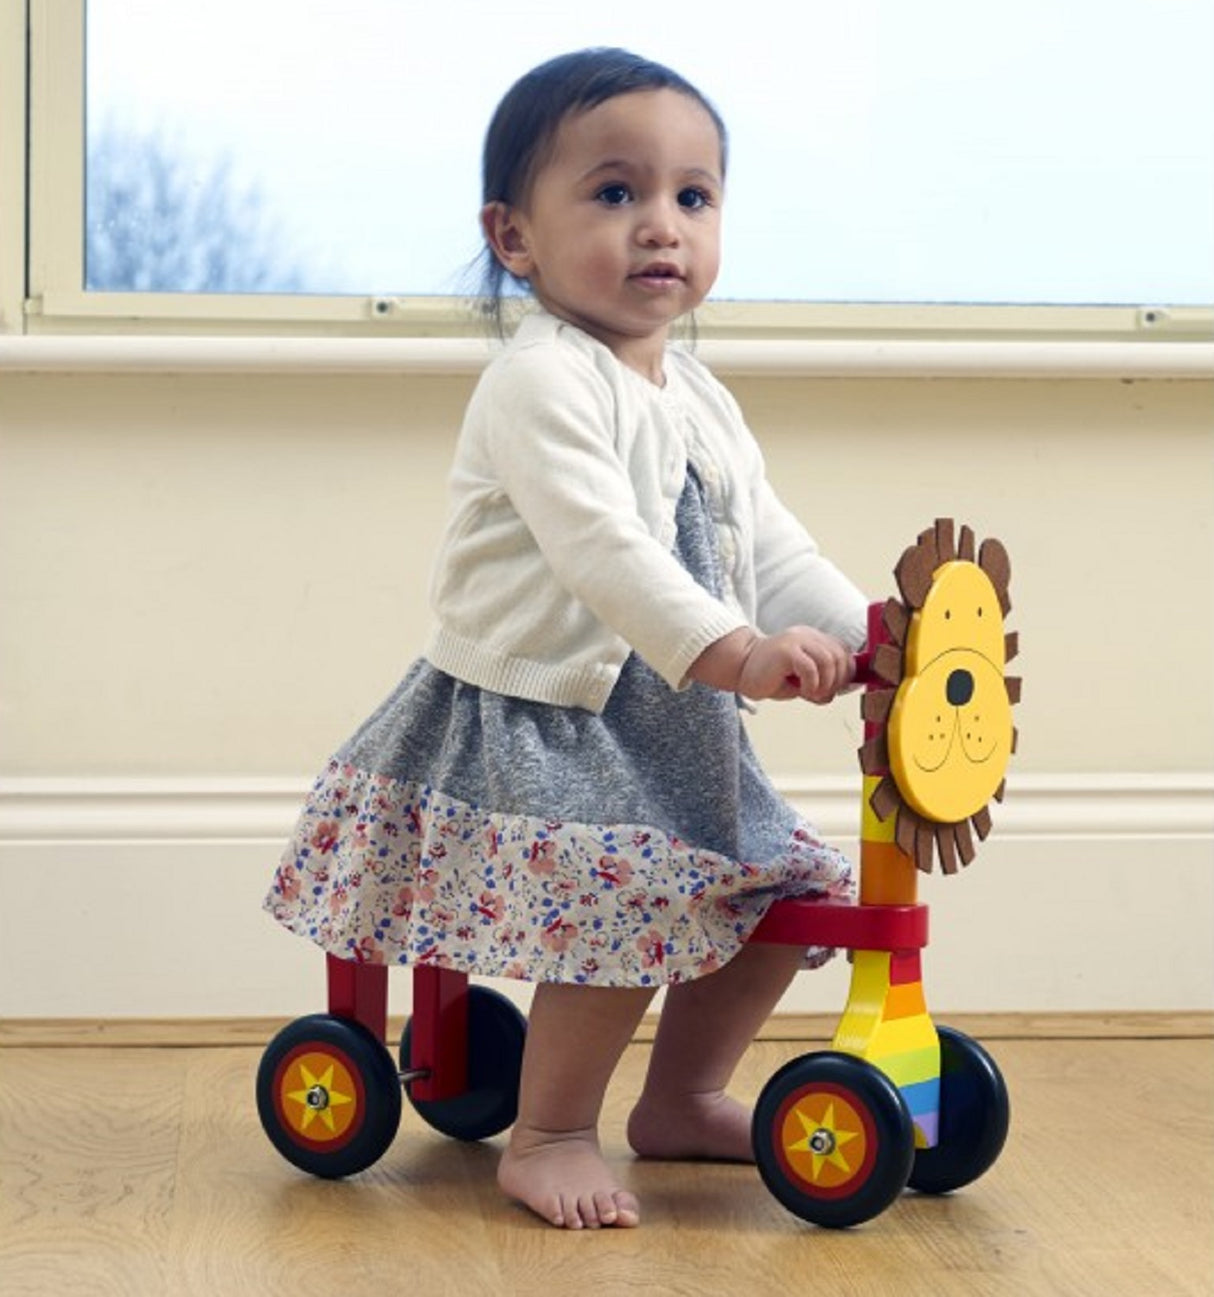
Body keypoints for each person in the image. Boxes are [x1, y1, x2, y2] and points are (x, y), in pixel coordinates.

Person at [265, 47, 869, 1231]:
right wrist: (740, 653)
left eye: (691, 197)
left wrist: (875, 636)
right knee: (620, 908)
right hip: (544, 720)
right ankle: (543, 1133)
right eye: (613, 193)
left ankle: (684, 1094)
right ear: (513, 236)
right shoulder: (538, 382)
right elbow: (606, 554)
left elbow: (770, 545)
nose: (661, 226)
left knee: (779, 897)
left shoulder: (697, 397)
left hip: (674, 720)